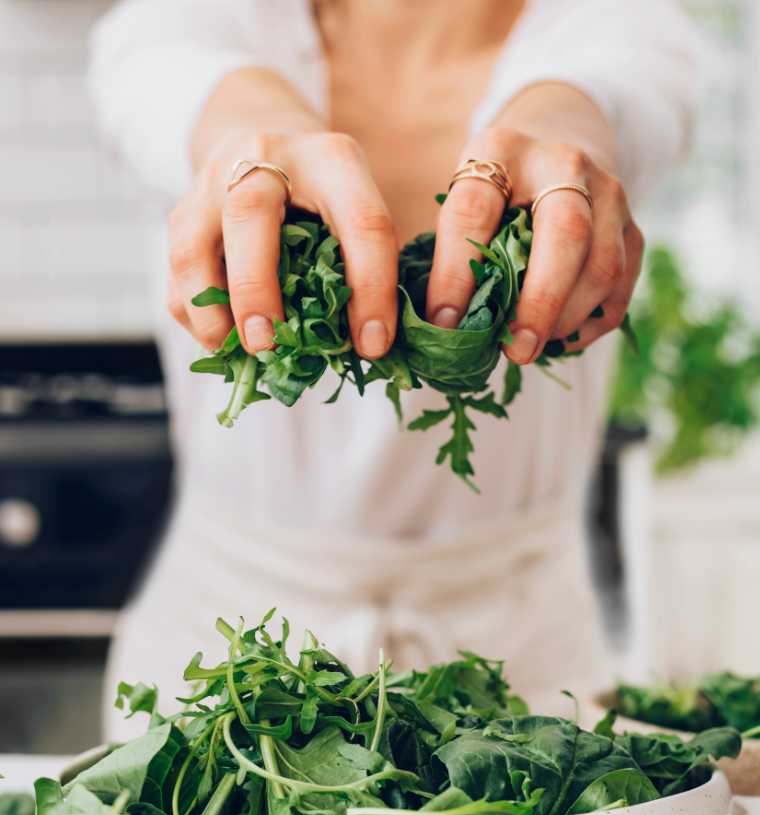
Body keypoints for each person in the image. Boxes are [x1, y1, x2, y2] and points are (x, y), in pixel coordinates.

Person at [90, 0, 696, 737]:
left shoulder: (618, 24)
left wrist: (569, 142)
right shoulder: (187, 20)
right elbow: (171, 81)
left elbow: (609, 92)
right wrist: (255, 141)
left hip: (523, 681)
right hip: (228, 676)